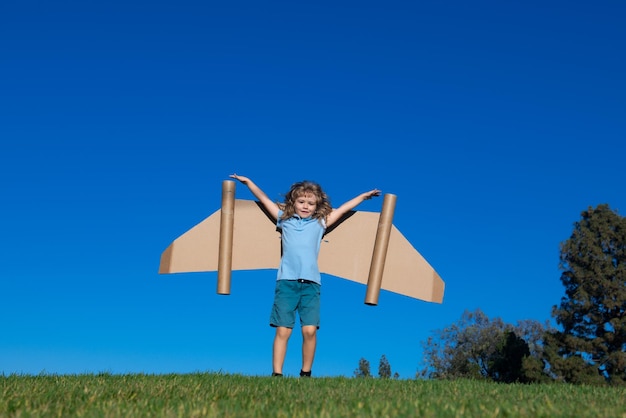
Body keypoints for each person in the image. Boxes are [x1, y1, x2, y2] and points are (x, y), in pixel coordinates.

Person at [229, 174, 381, 378]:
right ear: (293, 202)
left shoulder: (320, 223)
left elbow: (344, 209)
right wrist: (248, 183)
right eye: (301, 201)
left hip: (311, 285)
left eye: (311, 203)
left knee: (309, 331)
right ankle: (277, 374)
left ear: (317, 205)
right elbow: (264, 199)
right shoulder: (284, 219)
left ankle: (306, 373)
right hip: (286, 283)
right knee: (283, 331)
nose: (306, 206)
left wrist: (363, 196)